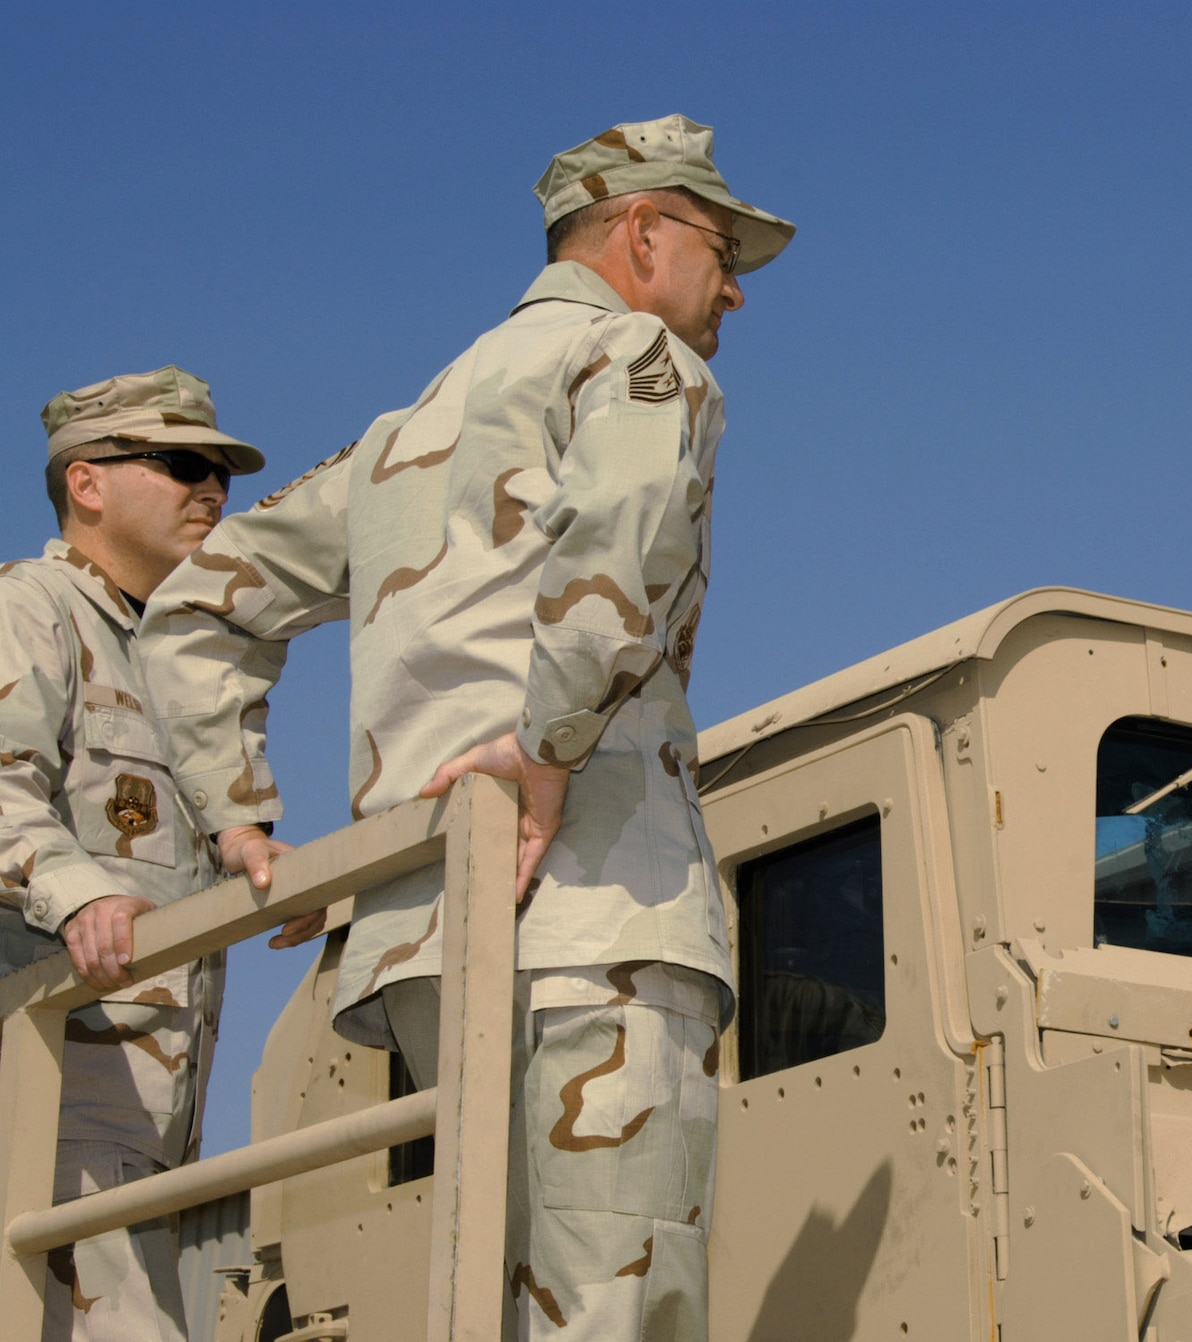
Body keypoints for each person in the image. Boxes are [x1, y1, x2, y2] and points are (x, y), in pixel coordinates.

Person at [139, 115, 794, 1341]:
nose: (737, 290)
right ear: (643, 232)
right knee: (612, 1307)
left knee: (496, 1305)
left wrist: (241, 818)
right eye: (721, 245)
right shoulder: (636, 356)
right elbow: (633, 515)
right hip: (601, 901)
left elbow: (189, 612)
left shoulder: (399, 435)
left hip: (434, 935)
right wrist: (549, 749)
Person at [1, 368, 271, 1340]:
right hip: (52, 1103)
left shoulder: (190, 663)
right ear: (87, 482)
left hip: (155, 1129)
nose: (211, 489)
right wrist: (78, 897)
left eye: (220, 473)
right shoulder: (32, 609)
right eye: (180, 463)